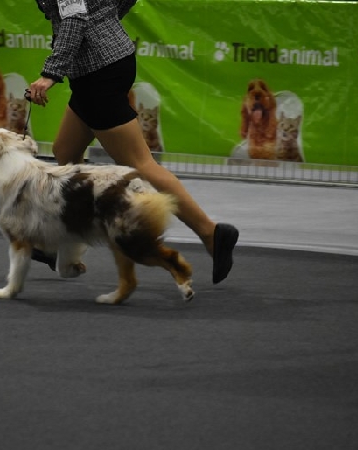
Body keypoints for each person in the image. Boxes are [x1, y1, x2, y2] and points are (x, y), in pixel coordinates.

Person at [29, 0, 239, 285]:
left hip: (98, 72)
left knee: (140, 164)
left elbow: (75, 19)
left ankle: (211, 233)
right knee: (65, 150)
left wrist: (50, 74)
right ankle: (64, 241)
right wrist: (106, 21)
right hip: (104, 64)